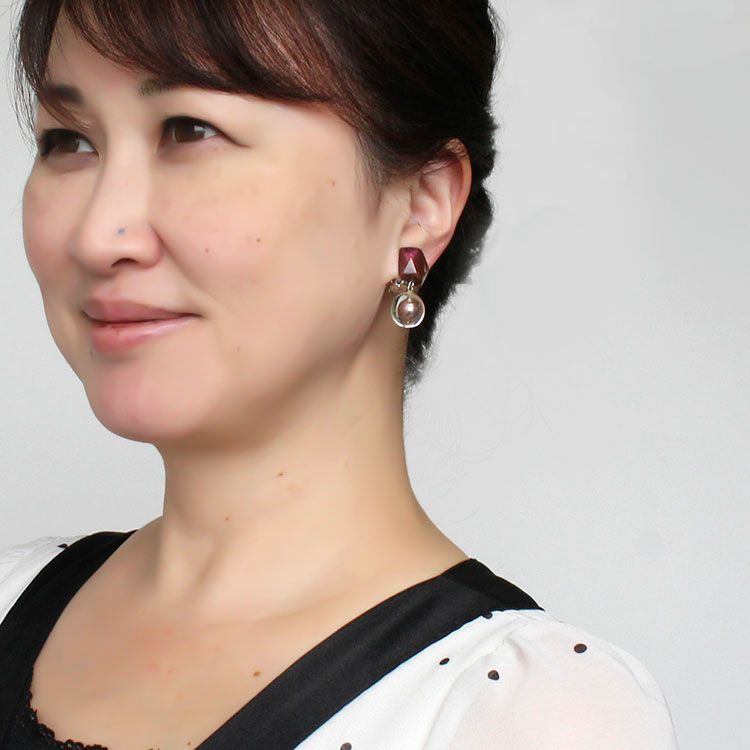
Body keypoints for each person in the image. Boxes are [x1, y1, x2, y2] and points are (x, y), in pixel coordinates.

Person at [0, 1, 678, 748]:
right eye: (67, 141)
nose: (99, 236)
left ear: (420, 203)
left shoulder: (528, 719)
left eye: (191, 131)